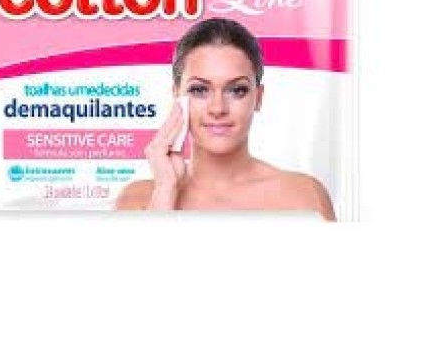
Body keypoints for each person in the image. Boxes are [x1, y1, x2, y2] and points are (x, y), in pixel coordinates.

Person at [115, 17, 336, 220]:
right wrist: (165, 190)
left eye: (237, 90)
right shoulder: (138, 201)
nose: (218, 108)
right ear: (177, 95)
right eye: (200, 90)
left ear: (258, 98)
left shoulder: (304, 197)